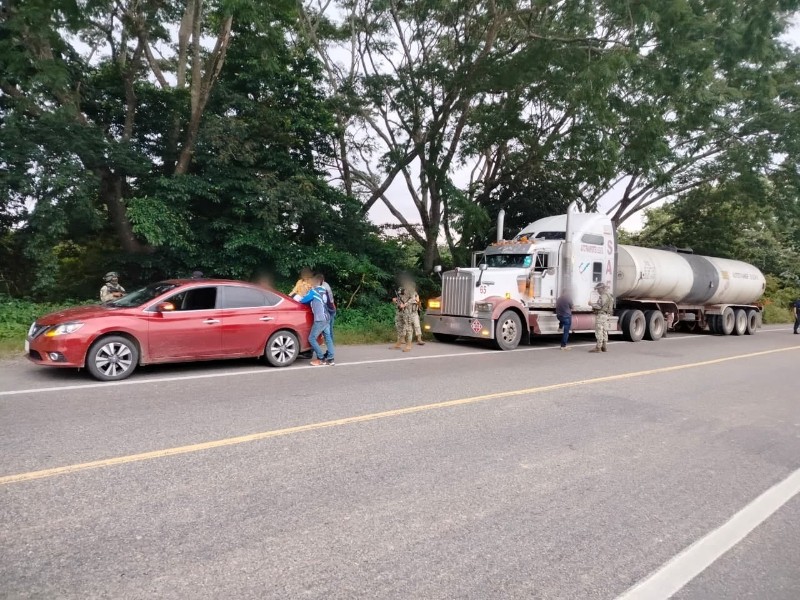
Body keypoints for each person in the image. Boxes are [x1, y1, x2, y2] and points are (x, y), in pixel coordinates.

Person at [298, 275, 334, 366]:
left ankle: (321, 358)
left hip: (320, 319)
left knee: (311, 338)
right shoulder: (324, 291)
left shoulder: (313, 292)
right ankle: (331, 359)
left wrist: (302, 295)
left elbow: (303, 300)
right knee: (328, 338)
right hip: (327, 317)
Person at [589, 282, 614, 353]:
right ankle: (604, 347)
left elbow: (599, 306)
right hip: (606, 315)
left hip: (601, 315)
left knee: (599, 331)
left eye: (598, 289)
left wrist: (591, 304)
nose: (597, 291)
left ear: (602, 288)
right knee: (604, 331)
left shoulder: (603, 296)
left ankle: (598, 347)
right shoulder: (609, 295)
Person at [391, 280, 416, 352]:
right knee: (399, 326)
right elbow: (399, 298)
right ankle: (399, 343)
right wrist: (395, 300)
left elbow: (413, 299)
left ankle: (409, 345)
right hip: (399, 310)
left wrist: (405, 304)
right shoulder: (400, 289)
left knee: (408, 327)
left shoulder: (411, 289)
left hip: (407, 311)